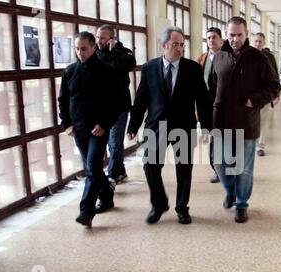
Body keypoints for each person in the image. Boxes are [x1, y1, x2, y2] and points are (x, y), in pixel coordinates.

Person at [127, 27, 212, 225]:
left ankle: (182, 207)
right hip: (157, 126)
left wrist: (207, 126)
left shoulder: (193, 68)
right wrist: (133, 126)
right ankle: (159, 203)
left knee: (184, 169)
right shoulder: (149, 68)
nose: (180, 48)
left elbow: (203, 100)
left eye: (182, 45)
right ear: (164, 45)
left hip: (184, 125)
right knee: (150, 165)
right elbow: (141, 100)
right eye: (175, 45)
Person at [212, 17, 281, 223]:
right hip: (222, 121)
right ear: (226, 34)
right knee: (221, 163)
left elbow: (273, 86)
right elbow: (212, 86)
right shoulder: (219, 56)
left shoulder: (258, 58)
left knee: (242, 168)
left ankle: (241, 203)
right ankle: (230, 191)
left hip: (246, 121)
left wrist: (254, 100)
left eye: (239, 35)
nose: (235, 39)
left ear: (246, 34)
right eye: (231, 34)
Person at [58, 32, 121, 227]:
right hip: (78, 129)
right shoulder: (69, 72)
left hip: (98, 130)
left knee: (92, 166)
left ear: (94, 47)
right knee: (92, 168)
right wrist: (66, 124)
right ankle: (107, 194)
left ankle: (86, 211)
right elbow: (63, 100)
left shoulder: (107, 72)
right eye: (77, 49)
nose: (80, 52)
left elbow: (115, 102)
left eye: (84, 48)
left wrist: (104, 124)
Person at [96, 25, 137, 186]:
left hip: (120, 106)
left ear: (112, 38)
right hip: (101, 108)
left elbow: (129, 64)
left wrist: (114, 51)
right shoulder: (96, 53)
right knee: (109, 143)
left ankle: (112, 176)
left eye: (103, 38)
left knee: (114, 142)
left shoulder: (123, 53)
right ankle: (120, 172)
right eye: (98, 37)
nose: (99, 41)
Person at [197, 27, 223, 183]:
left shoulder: (227, 57)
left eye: (214, 37)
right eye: (208, 38)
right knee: (213, 137)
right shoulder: (203, 58)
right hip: (207, 106)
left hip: (224, 105)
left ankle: (223, 168)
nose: (211, 40)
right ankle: (217, 168)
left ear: (221, 39)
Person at [252, 32, 280, 157]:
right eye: (256, 41)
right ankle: (250, 143)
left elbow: (275, 75)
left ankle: (260, 146)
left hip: (265, 94)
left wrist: (277, 93)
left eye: (260, 41)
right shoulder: (247, 55)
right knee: (250, 121)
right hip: (250, 94)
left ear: (264, 43)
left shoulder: (269, 57)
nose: (258, 43)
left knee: (264, 121)